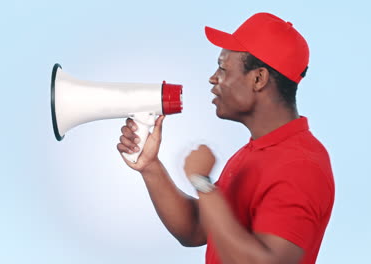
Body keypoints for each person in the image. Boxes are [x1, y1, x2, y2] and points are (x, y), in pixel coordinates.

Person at [116, 12, 334, 264]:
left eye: (222, 67)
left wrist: (203, 184)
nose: (213, 78)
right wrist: (150, 167)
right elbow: (197, 228)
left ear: (258, 79)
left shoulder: (300, 166)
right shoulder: (254, 153)